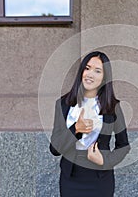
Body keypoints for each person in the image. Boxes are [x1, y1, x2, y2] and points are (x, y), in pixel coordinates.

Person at [49, 51, 130, 197]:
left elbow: (123, 145)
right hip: (71, 178)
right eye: (87, 68)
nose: (90, 74)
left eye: (97, 71)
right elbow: (54, 149)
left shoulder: (113, 107)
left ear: (105, 78)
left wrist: (105, 160)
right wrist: (76, 129)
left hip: (100, 178)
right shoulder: (63, 104)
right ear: (81, 72)